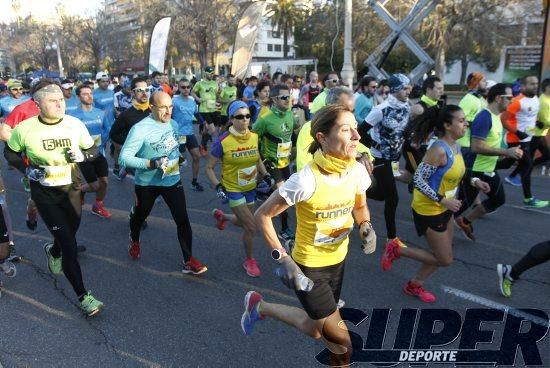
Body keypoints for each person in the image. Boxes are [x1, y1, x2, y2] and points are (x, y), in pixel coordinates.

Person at [242, 104, 375, 367]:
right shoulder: (306, 180)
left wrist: (365, 225)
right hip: (308, 268)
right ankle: (260, 307)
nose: (357, 137)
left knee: (316, 328)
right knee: (342, 349)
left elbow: (359, 205)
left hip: (337, 262)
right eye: (347, 130)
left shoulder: (357, 170)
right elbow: (263, 215)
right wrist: (283, 259)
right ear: (322, 138)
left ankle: (260, 307)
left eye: (356, 129)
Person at [5, 83, 104, 316]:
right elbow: (10, 153)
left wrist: (82, 155)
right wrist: (27, 170)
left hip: (71, 189)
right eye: (53, 101)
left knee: (70, 233)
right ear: (37, 104)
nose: (60, 104)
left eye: (61, 99)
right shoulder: (25, 129)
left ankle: (54, 251)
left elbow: (93, 153)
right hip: (45, 194)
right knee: (70, 245)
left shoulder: (74, 124)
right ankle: (84, 297)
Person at [381, 105, 490, 302]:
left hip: (445, 207)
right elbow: (418, 181)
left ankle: (415, 285)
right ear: (448, 125)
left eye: (465, 120)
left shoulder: (455, 146)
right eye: (461, 120)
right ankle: (397, 250)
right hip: (429, 210)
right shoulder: (438, 150)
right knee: (445, 259)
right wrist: (443, 200)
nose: (466, 124)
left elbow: (457, 174)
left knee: (444, 252)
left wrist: (475, 182)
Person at [119, 91, 207, 275]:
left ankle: (188, 260)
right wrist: (151, 163)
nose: (168, 112)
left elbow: (172, 148)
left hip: (172, 180)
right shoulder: (140, 129)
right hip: (147, 183)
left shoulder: (173, 124)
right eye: (163, 108)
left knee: (182, 219)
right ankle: (134, 239)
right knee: (140, 216)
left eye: (171, 107)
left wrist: (179, 159)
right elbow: (124, 158)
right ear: (151, 108)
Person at [205, 101, 271, 277]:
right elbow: (209, 168)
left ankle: (223, 217)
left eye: (248, 116)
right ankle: (249, 260)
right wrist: (218, 185)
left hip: (250, 187)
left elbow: (256, 158)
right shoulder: (223, 141)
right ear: (231, 119)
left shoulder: (254, 136)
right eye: (240, 117)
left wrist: (265, 174)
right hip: (233, 188)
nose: (245, 120)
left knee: (244, 221)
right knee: (250, 226)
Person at [454, 83, 523, 241]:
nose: (512, 101)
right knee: (461, 205)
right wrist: (506, 151)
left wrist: (503, 156)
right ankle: (436, 228)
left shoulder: (496, 117)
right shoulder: (484, 117)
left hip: (488, 169)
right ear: (498, 98)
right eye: (509, 98)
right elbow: (477, 147)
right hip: (475, 169)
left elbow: (490, 145)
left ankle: (465, 221)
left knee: (498, 199)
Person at [361, 73, 412, 249]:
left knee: (383, 195)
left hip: (395, 158)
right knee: (393, 197)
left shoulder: (407, 107)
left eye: (409, 87)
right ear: (396, 89)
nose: (409, 90)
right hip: (379, 157)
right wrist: (376, 144)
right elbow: (360, 133)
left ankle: (356, 193)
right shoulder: (380, 110)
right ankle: (392, 239)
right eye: (405, 88)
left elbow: (402, 131)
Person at [252, 84, 297, 242]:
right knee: (284, 195)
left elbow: (293, 135)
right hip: (270, 162)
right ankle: (284, 229)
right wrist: (261, 161)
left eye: (289, 96)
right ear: (274, 99)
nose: (288, 100)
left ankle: (261, 195)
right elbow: (251, 140)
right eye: (284, 97)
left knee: (289, 194)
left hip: (285, 162)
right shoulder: (265, 119)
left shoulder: (290, 114)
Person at [501, 76, 548, 208]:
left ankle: (480, 172)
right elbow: (504, 120)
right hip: (515, 139)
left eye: (536, 84)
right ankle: (528, 198)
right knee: (527, 166)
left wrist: (537, 123)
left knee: (506, 164)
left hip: (528, 138)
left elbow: (530, 117)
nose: (535, 86)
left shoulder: (536, 99)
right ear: (523, 86)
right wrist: (517, 132)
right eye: (531, 84)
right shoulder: (516, 101)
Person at [70, 84, 112, 218]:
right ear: (78, 96)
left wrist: (101, 143)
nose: (89, 96)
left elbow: (107, 130)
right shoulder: (73, 116)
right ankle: (81, 190)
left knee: (104, 182)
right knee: (94, 186)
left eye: (91, 93)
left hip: (99, 153)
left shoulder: (100, 112)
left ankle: (98, 206)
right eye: (85, 94)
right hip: (83, 155)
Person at [401, 76, 446, 188]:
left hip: (425, 148)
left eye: (442, 88)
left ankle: (387, 173)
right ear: (428, 90)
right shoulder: (419, 108)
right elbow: (407, 132)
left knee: (413, 177)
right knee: (422, 179)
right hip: (412, 149)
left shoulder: (437, 106)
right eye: (438, 88)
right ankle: (384, 172)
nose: (441, 91)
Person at [109, 77, 151, 180]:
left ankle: (127, 168)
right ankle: (128, 167)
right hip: (137, 158)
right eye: (140, 91)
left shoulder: (155, 110)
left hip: (154, 154)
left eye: (146, 90)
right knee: (143, 189)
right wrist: (130, 143)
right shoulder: (126, 115)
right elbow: (113, 134)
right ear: (133, 93)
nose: (144, 93)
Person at [172, 78, 206, 191]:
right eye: (183, 87)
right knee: (181, 162)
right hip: (178, 134)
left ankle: (194, 182)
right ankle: (166, 182)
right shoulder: (174, 101)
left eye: (188, 87)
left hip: (190, 133)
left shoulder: (192, 101)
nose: (186, 89)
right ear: (179, 88)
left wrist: (204, 124)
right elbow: (168, 116)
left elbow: (197, 114)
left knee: (197, 156)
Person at [457, 72, 488, 154]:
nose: (486, 83)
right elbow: (458, 119)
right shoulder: (469, 99)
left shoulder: (478, 98)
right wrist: (476, 124)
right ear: (476, 83)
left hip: (471, 143)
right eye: (483, 81)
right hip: (464, 144)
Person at [192, 66, 220, 155]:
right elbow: (192, 92)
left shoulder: (215, 83)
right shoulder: (199, 83)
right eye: (210, 73)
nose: (212, 75)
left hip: (213, 108)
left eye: (213, 74)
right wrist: (198, 99)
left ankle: (202, 146)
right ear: (205, 73)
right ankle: (202, 145)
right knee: (212, 130)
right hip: (204, 109)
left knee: (207, 129)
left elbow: (217, 94)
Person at [533, 78, 550, 174]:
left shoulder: (547, 99)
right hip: (536, 133)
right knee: (547, 155)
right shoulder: (543, 100)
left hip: (540, 133)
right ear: (547, 87)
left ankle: (526, 169)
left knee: (547, 155)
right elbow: (544, 121)